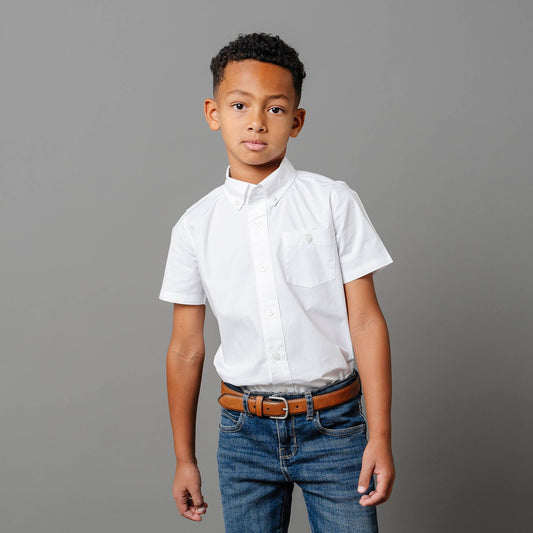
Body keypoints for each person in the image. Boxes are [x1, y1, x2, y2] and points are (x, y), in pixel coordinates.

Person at [159, 32, 395, 533]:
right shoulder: (195, 227)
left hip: (335, 429)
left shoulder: (332, 202)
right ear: (213, 113)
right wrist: (184, 458)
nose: (257, 122)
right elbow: (185, 349)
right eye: (240, 105)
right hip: (243, 436)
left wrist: (380, 435)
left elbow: (366, 322)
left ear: (297, 121)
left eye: (275, 108)